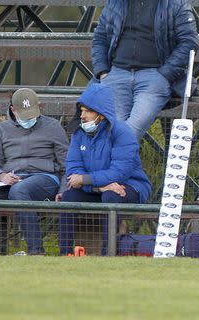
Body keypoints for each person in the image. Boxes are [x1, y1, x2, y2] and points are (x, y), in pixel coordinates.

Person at [92, 0, 199, 140]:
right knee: (111, 128)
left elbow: (189, 43)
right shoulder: (117, 0)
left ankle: (116, 169)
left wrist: (164, 74)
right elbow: (100, 36)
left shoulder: (175, 3)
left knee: (132, 127)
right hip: (117, 74)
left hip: (153, 77)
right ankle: (121, 170)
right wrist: (102, 71)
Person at [0, 88, 68, 255]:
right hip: (10, 181)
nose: (30, 118)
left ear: (39, 107)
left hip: (45, 178)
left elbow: (66, 165)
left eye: (33, 113)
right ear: (13, 110)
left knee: (19, 190)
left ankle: (36, 252)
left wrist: (64, 190)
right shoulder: (1, 129)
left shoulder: (53, 126)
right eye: (25, 114)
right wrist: (2, 176)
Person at [58, 82, 151, 256]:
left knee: (110, 196)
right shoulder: (78, 133)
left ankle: (107, 255)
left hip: (130, 187)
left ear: (101, 115)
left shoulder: (123, 132)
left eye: (88, 111)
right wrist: (97, 186)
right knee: (68, 196)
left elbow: (120, 173)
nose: (83, 116)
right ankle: (65, 254)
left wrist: (87, 180)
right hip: (97, 188)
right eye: (82, 111)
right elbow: (73, 173)